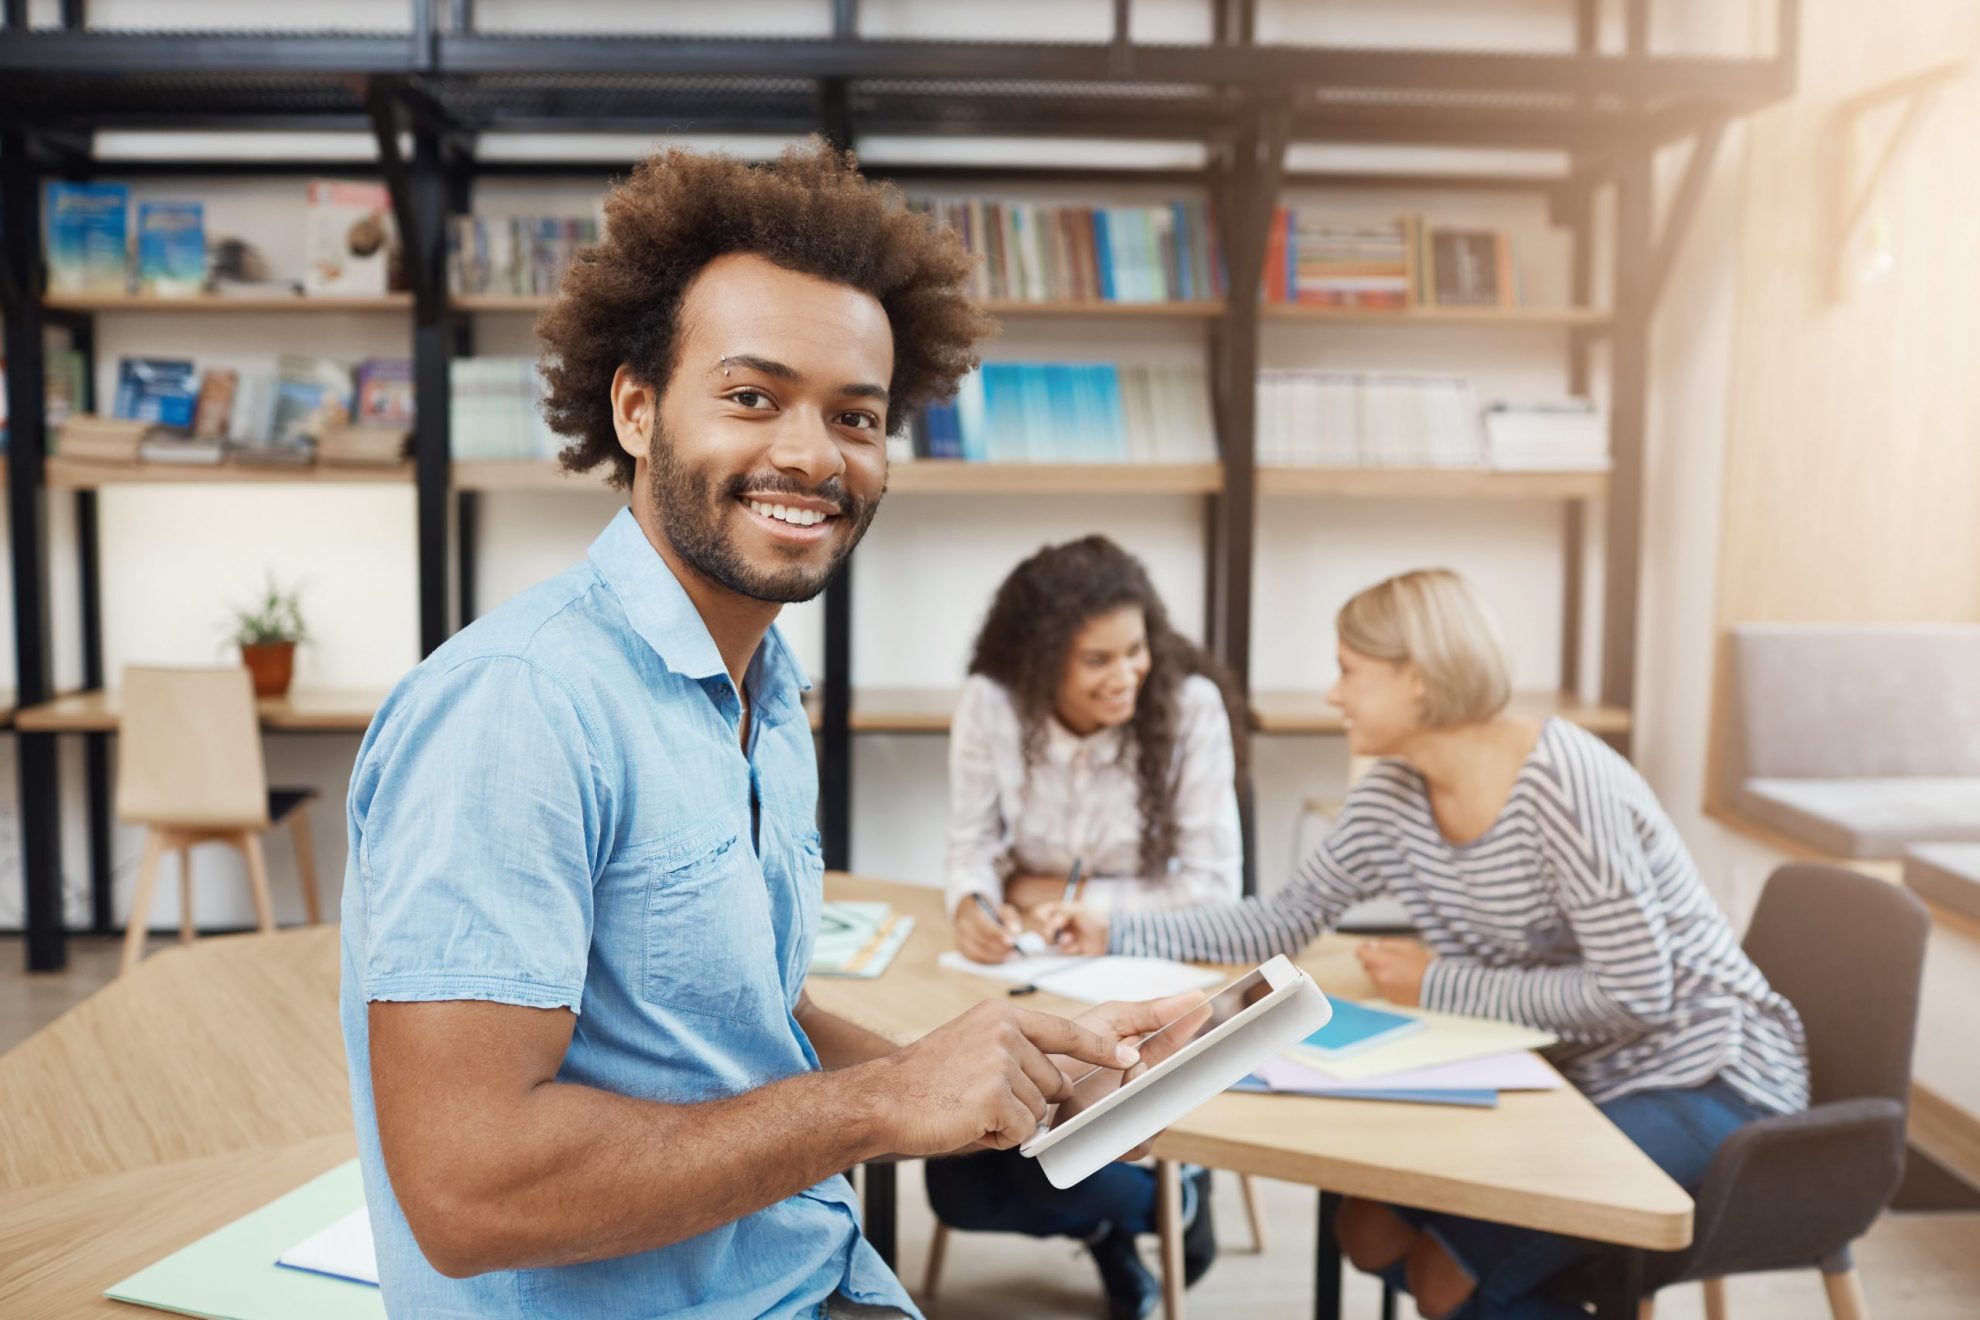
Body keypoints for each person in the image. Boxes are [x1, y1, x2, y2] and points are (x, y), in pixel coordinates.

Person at [339, 141, 1205, 1320]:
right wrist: (882, 1106)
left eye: (855, 416)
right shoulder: (516, 707)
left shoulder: (761, 690)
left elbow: (740, 1020)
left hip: (808, 1279)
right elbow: (469, 1191)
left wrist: (1005, 1068)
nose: (810, 454)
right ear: (636, 409)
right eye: (753, 397)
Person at [1037, 568, 1811, 1320]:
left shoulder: (1567, 786)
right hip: (1581, 1076)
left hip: (1713, 1074)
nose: (1333, 693)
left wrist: (1436, 982)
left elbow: (1638, 996)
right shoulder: (1391, 792)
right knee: (1366, 1227)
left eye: (1349, 671)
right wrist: (1113, 924)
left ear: (1417, 676)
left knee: (1446, 1276)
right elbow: (1279, 921)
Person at [934, 535, 1245, 1317]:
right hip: (1028, 974)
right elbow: (973, 848)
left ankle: (1159, 1206)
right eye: (1098, 660)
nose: (1128, 675)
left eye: (1136, 650)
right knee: (959, 1186)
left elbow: (1214, 892)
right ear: (1041, 663)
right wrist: (973, 904)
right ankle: (1143, 1214)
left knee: (1032, 1151)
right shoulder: (991, 703)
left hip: (1156, 985)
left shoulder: (1188, 708)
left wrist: (1091, 907)